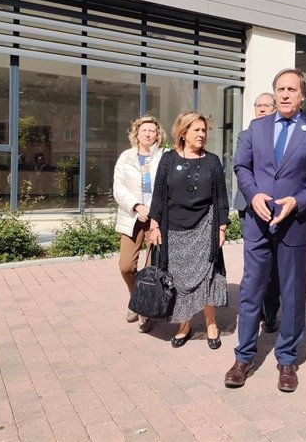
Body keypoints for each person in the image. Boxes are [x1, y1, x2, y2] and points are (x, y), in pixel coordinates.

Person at [225, 68, 306, 392]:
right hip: (257, 224)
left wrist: (299, 201)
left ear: (302, 96)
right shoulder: (256, 128)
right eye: (280, 89)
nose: (285, 94)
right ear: (274, 94)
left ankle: (287, 360)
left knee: (292, 294)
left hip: (294, 226)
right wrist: (254, 194)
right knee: (250, 292)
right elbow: (241, 167)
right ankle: (243, 358)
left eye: (292, 89)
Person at [149, 112, 229, 350]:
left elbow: (221, 197)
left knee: (207, 277)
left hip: (205, 227)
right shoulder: (168, 160)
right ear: (183, 133)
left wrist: (222, 227)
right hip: (174, 230)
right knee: (179, 279)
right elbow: (159, 196)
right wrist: (154, 224)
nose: (202, 135)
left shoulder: (212, 161)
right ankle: (184, 325)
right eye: (197, 130)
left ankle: (211, 323)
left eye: (204, 130)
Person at [113, 116, 166, 334]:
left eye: (152, 131)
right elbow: (118, 187)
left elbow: (165, 188)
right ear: (137, 133)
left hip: (155, 220)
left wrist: (151, 210)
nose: (147, 134)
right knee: (126, 266)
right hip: (132, 217)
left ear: (157, 134)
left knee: (151, 269)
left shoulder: (165, 157)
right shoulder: (126, 157)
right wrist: (136, 206)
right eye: (143, 130)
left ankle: (144, 310)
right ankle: (136, 297)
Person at [233, 92, 281, 334]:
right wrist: (254, 195)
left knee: (274, 265)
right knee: (253, 263)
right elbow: (241, 167)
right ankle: (255, 310)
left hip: (276, 206)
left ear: (274, 109)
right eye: (258, 105)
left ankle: (271, 310)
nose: (261, 109)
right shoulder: (246, 134)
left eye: (266, 106)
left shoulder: (282, 137)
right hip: (249, 206)